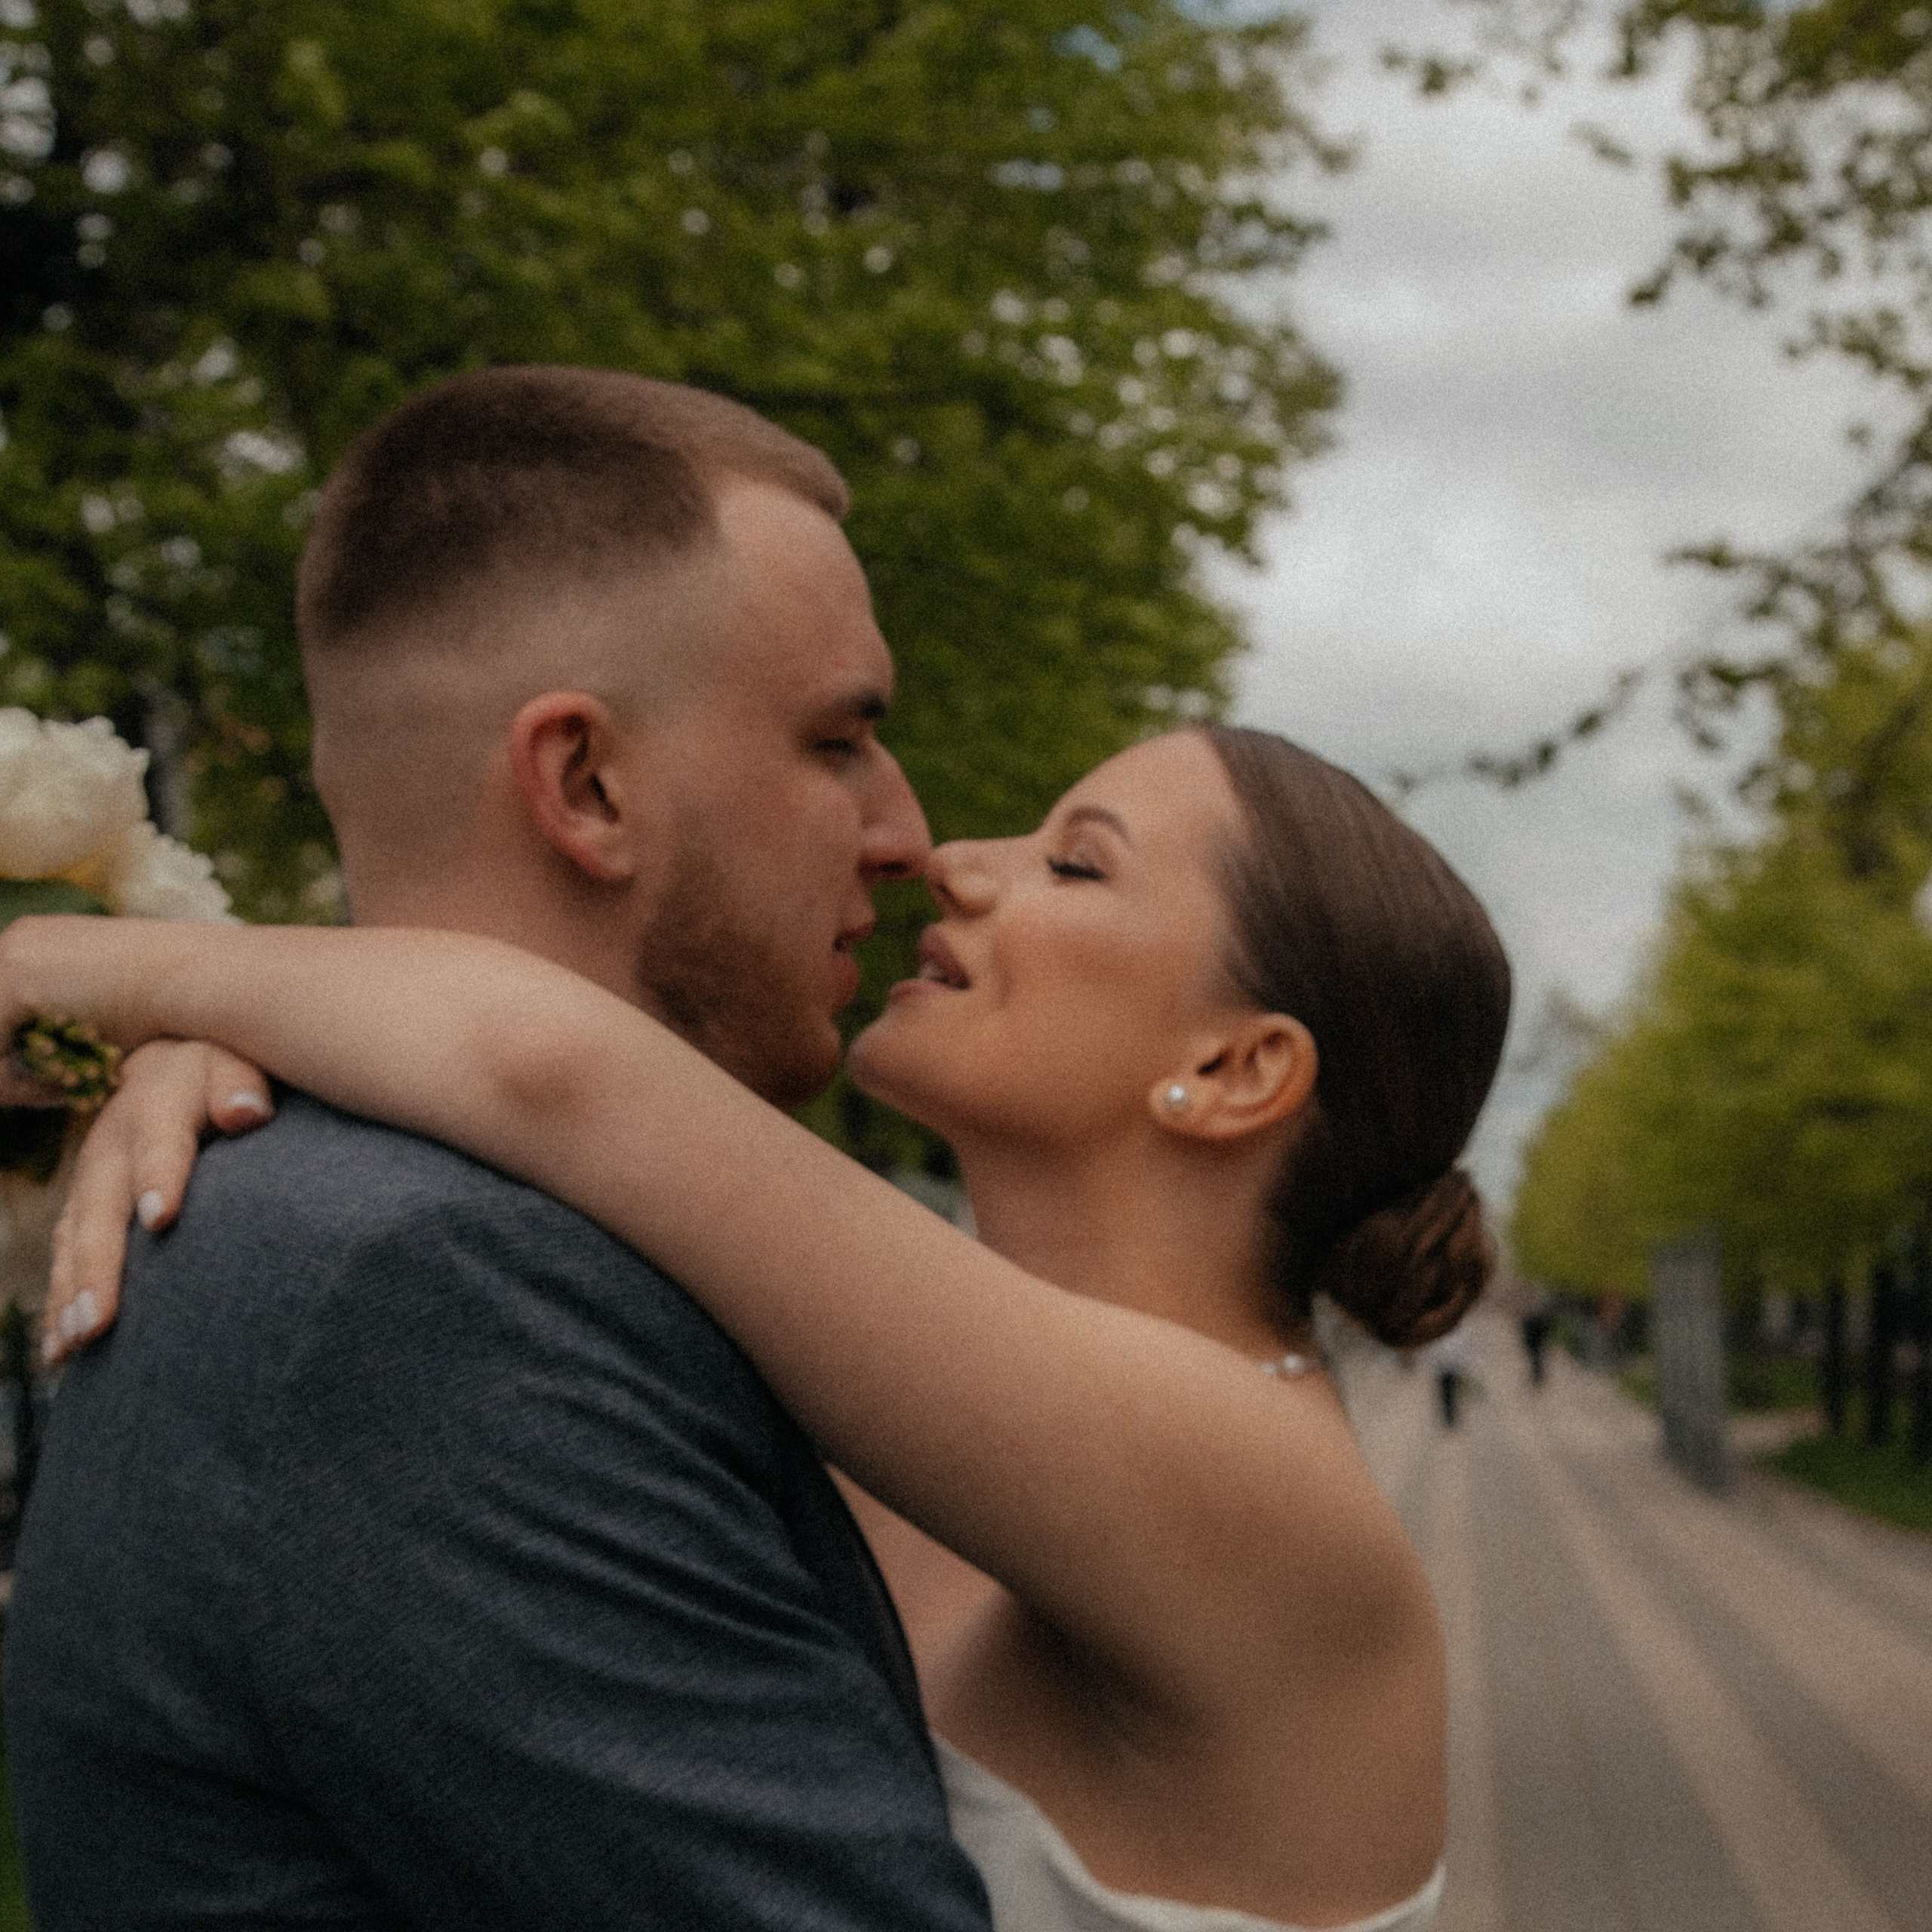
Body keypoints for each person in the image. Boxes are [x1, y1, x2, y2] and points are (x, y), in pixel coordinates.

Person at [3, 718, 1510, 1928]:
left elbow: (551, 1070)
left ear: (1237, 1065)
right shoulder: (870, 1408)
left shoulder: (1267, 1491)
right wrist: (220, 1060)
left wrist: (118, 972)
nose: (948, 861)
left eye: (1073, 865)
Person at [2, 366, 997, 1930]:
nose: (907, 830)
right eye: (838, 740)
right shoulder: (420, 1292)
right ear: (585, 784)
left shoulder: (351, 1215)